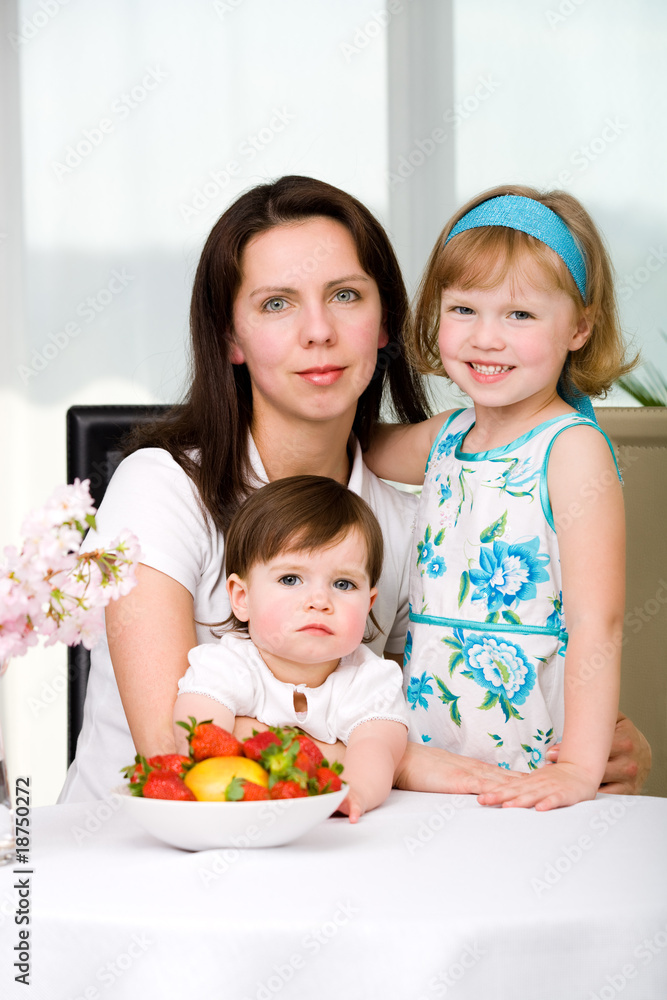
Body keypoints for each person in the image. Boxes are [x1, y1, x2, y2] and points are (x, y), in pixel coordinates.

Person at [59, 175, 649, 805]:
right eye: (277, 303)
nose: (319, 331)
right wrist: (390, 760)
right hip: (136, 847)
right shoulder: (161, 488)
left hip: (333, 844)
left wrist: (596, 750)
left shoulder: (413, 521)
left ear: (386, 321)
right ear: (230, 336)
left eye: (345, 295)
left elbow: (413, 703)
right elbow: (176, 745)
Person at [365, 185, 638, 810]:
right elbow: (360, 445)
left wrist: (579, 769)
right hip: (428, 749)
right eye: (463, 309)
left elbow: (597, 622)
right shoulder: (445, 436)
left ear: (580, 327)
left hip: (529, 759)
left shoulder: (570, 449)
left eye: (520, 315)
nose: (486, 338)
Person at [174, 476, 410, 823]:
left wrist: (353, 792)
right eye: (290, 579)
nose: (319, 600)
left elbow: (376, 750)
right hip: (235, 815)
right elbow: (198, 735)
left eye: (343, 584)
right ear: (242, 598)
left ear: (369, 603)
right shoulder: (226, 664)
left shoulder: (371, 679)